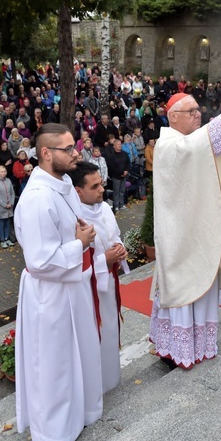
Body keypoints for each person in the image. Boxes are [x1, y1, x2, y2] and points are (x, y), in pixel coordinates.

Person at [149, 94, 221, 369]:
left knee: (203, 282)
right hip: (179, 236)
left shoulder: (193, 140)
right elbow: (192, 148)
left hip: (200, 227)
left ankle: (198, 345)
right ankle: (177, 348)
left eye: (198, 110)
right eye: (190, 112)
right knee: (183, 285)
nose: (197, 115)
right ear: (172, 116)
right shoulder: (168, 144)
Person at [14, 123, 102, 441]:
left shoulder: (62, 184)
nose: (76, 152)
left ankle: (77, 415)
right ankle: (53, 434)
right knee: (53, 366)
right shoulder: (37, 199)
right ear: (47, 153)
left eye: (74, 146)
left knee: (75, 356)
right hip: (50, 295)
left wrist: (82, 236)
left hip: (71, 286)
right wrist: (79, 244)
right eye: (68, 149)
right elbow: (39, 261)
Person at [69, 161, 129, 393]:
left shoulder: (104, 208)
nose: (102, 190)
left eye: (102, 184)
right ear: (78, 191)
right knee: (96, 334)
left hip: (109, 281)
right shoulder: (74, 220)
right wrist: (106, 260)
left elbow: (115, 235)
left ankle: (111, 379)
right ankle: (95, 386)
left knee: (111, 329)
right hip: (89, 289)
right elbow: (74, 263)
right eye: (94, 186)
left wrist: (120, 249)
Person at [0, 165, 15, 249]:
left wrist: (11, 203)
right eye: (2, 171)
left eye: (5, 171)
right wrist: (4, 204)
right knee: (1, 223)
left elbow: (12, 192)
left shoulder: (8, 180)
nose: (4, 173)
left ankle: (7, 238)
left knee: (7, 223)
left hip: (9, 206)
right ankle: (2, 240)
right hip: (1, 207)